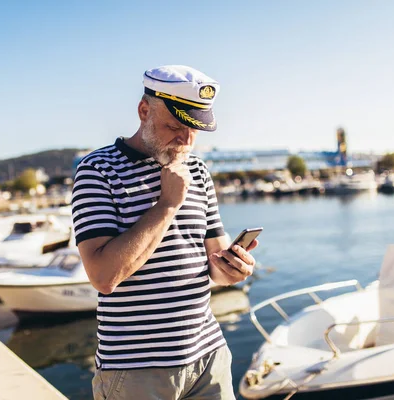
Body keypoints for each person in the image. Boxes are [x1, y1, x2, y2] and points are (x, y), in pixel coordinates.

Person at [72, 65, 257, 400]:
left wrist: (233, 268)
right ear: (144, 110)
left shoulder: (197, 170)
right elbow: (103, 276)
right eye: (175, 126)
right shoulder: (97, 170)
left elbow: (214, 261)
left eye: (195, 130)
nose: (185, 140)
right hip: (137, 369)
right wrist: (167, 205)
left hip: (208, 356)